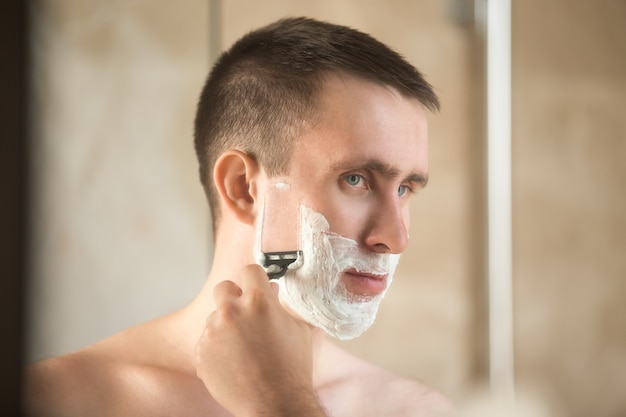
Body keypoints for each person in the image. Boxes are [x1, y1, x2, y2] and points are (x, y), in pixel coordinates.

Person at [24, 17, 454, 417]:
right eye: (357, 180)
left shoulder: (417, 410)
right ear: (243, 188)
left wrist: (283, 403)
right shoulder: (54, 400)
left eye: (404, 189)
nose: (395, 238)